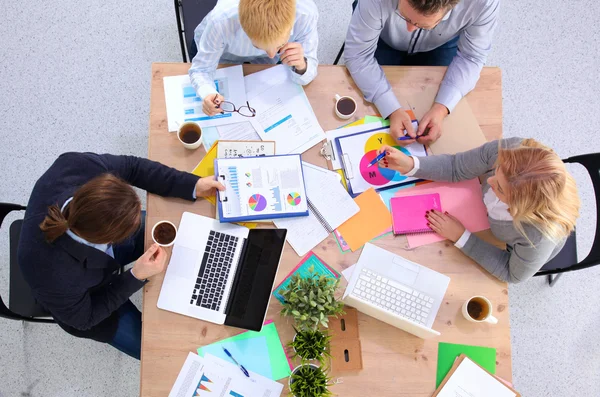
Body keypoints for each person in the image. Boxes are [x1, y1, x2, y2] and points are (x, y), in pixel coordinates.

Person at [18, 152, 224, 359]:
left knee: (184, 232)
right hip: (91, 302)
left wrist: (192, 185)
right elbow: (84, 319)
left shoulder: (77, 166)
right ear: (107, 239)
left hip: (91, 261)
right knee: (161, 354)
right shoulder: (51, 273)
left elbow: (133, 167)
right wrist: (136, 276)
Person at [377, 138, 580, 283]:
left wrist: (461, 236)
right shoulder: (510, 151)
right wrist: (412, 165)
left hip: (511, 245)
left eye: (499, 188)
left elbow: (512, 274)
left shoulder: (539, 236)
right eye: (497, 171)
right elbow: (456, 166)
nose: (487, 179)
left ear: (517, 207)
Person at [344, 0, 499, 145]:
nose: (409, 29)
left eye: (423, 24)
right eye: (403, 15)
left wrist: (442, 108)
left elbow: (472, 57)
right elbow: (358, 55)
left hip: (441, 43)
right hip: (383, 36)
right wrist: (391, 109)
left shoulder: (483, 3)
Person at [189, 0, 319, 117]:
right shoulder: (221, 20)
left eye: (280, 45)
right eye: (258, 46)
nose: (272, 55)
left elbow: (310, 66)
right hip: (223, 55)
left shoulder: (306, 15)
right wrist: (207, 92)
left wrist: (302, 65)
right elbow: (201, 70)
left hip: (262, 66)